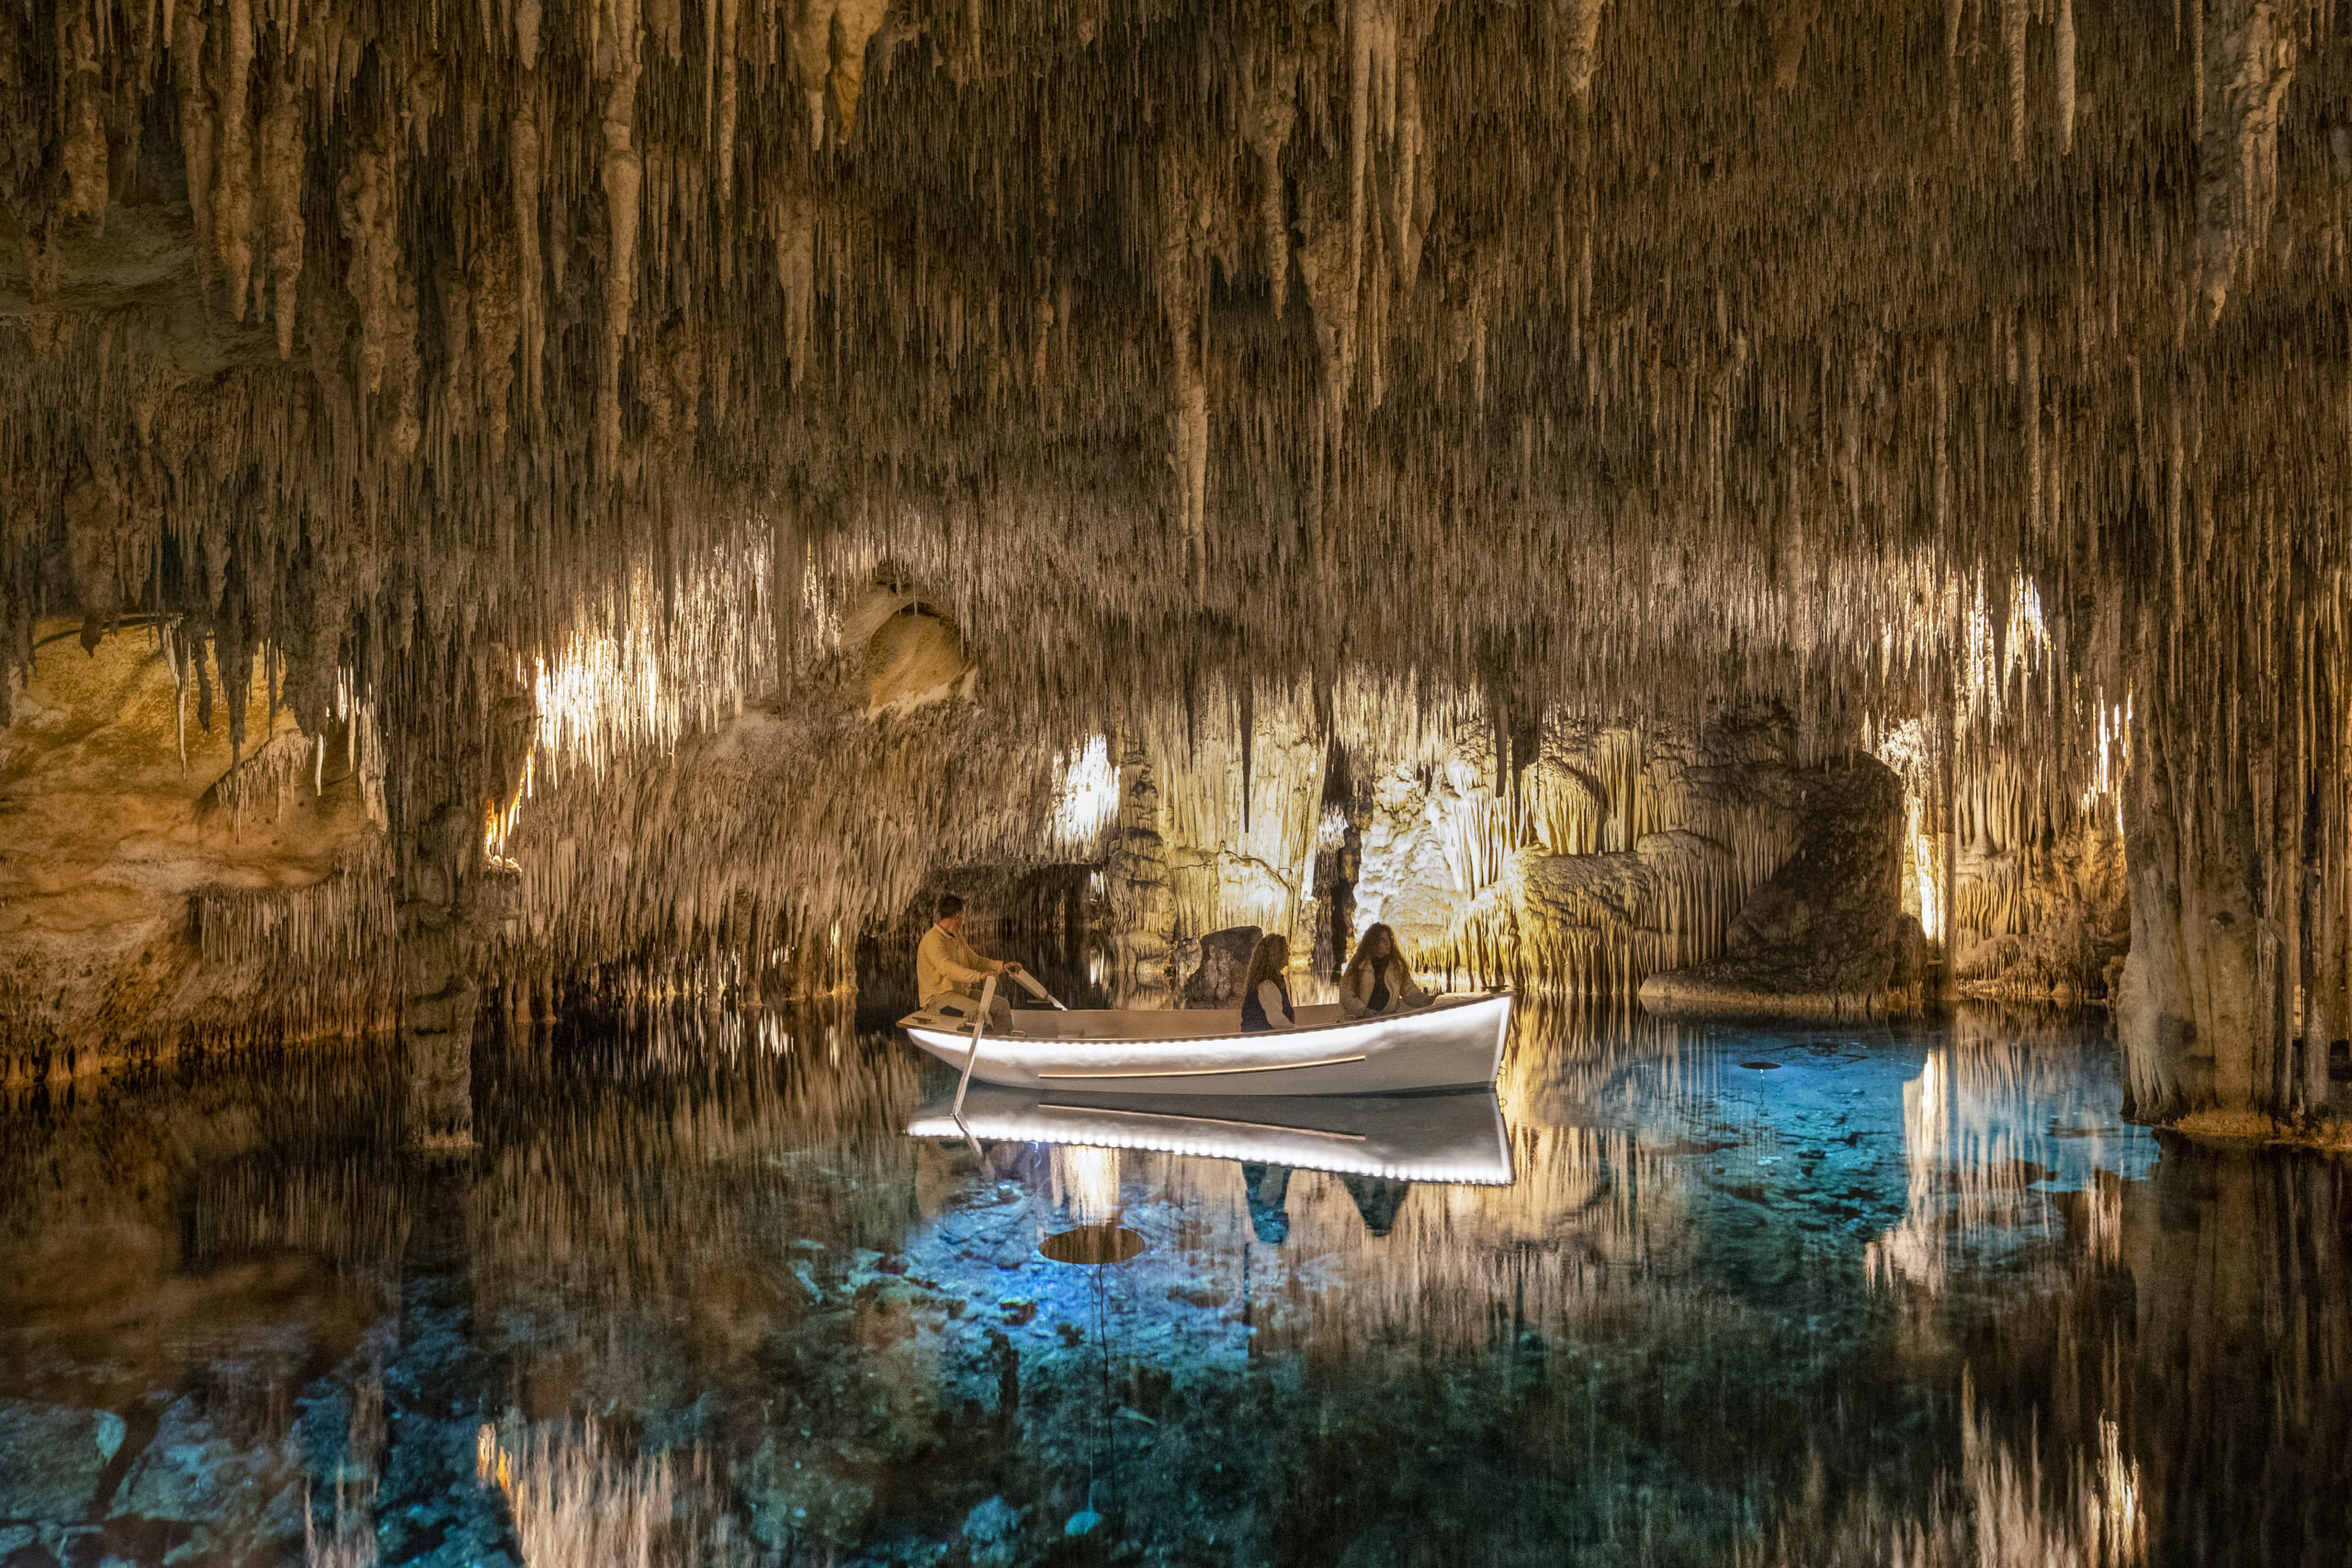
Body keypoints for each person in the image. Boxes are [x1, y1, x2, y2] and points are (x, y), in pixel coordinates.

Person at [917, 894, 1021, 1032]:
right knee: (978, 1014)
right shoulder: (932, 939)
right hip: (937, 1001)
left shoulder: (958, 938)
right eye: (964, 916)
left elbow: (976, 961)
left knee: (1001, 1005)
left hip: (961, 994)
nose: (964, 920)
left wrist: (1001, 966)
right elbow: (946, 967)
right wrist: (978, 976)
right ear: (959, 915)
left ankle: (1005, 1043)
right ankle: (986, 1049)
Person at [1339, 922, 1430, 1019]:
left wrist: (1428, 1001)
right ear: (1373, 943)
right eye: (1382, 940)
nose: (1387, 943)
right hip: (1362, 1020)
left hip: (1387, 1019)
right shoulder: (1358, 965)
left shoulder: (1397, 965)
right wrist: (1363, 1011)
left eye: (1388, 939)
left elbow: (1409, 992)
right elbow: (1346, 995)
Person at [1238, 932, 1295, 1032]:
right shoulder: (1267, 985)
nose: (1289, 954)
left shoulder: (1271, 981)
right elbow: (1276, 1020)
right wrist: (1297, 1031)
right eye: (1286, 950)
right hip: (1260, 1041)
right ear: (1277, 954)